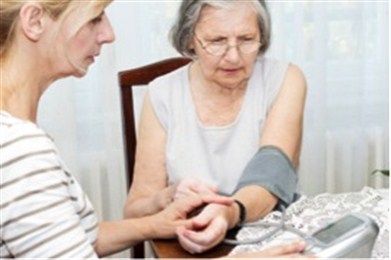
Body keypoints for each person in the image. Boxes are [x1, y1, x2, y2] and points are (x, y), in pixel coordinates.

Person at [0, 0, 310, 258]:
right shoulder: (20, 148)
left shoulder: (16, 141)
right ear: (34, 20)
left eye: (246, 39)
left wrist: (158, 224)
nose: (109, 34)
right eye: (95, 17)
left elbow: (77, 238)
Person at [124, 0, 307, 254]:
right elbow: (135, 210)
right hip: (189, 244)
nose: (233, 56)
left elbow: (271, 176)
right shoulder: (162, 93)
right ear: (189, 39)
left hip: (270, 240)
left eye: (246, 39)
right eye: (217, 41)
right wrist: (170, 195)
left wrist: (228, 212)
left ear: (261, 38)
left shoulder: (286, 79)